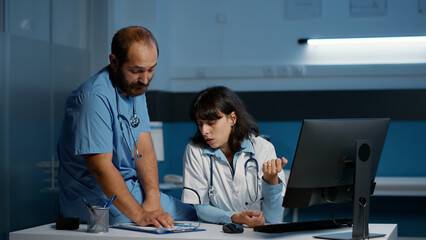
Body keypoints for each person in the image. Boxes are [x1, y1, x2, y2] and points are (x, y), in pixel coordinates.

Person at [57, 26, 197, 228]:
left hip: (130, 191)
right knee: (168, 224)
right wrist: (141, 215)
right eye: (136, 70)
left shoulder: (134, 90)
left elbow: (145, 150)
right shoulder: (92, 98)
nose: (145, 79)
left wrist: (153, 197)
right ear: (114, 61)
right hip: (97, 201)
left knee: (194, 215)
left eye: (151, 69)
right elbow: (100, 168)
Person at [181, 86, 287, 228]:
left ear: (232, 118)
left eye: (211, 123)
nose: (204, 131)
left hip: (259, 234)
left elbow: (273, 219)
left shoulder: (263, 148)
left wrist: (271, 181)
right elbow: (201, 209)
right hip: (220, 234)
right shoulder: (195, 151)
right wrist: (234, 218)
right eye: (200, 124)